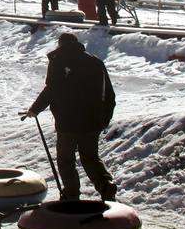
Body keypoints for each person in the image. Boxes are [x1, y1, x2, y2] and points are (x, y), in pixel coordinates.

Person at [21, 33, 117, 201]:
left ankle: (71, 195)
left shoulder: (59, 60)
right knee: (91, 158)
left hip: (68, 122)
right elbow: (109, 94)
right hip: (93, 121)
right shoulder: (96, 62)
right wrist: (104, 119)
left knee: (66, 160)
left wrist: (34, 110)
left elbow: (51, 89)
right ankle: (106, 186)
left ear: (60, 45)